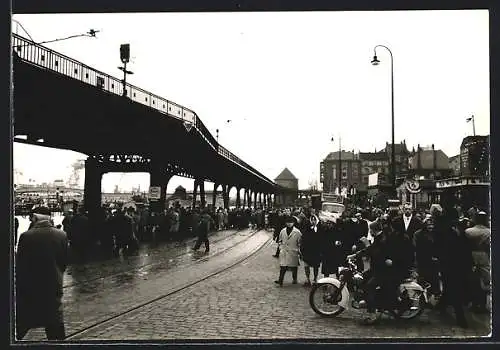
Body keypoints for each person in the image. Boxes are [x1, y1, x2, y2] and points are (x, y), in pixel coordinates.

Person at [15, 206, 68, 340]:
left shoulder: (26, 236)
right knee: (55, 323)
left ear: (35, 218)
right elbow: (64, 262)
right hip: (53, 283)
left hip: (30, 285)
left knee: (22, 322)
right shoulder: (61, 235)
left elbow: (20, 263)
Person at [348, 217, 414, 325]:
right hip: (377, 269)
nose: (369, 232)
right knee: (363, 279)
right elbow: (371, 250)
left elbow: (376, 253)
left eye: (370, 230)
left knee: (369, 286)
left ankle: (373, 314)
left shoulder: (383, 239)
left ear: (373, 230)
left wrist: (365, 247)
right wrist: (355, 255)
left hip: (382, 271)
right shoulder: (380, 238)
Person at [465, 211, 491, 313]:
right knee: (485, 280)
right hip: (484, 256)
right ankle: (483, 304)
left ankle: (474, 303)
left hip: (471, 256)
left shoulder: (468, 231)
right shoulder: (488, 232)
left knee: (473, 280)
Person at [274, 216, 302, 286]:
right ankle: (280, 281)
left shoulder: (297, 232)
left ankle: (294, 279)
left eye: (291, 222)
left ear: (293, 223)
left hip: (293, 251)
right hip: (284, 251)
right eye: (288, 222)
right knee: (283, 267)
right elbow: (280, 240)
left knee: (294, 267)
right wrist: (280, 247)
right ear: (286, 223)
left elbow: (300, 242)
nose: (289, 224)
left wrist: (298, 250)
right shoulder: (282, 231)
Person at [300, 214, 322, 286]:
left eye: (314, 220)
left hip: (316, 251)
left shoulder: (320, 229)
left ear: (317, 220)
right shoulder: (307, 229)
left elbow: (322, 240)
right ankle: (308, 279)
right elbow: (303, 239)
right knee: (306, 266)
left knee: (316, 266)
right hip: (308, 251)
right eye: (312, 220)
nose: (313, 221)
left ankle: (315, 279)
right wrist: (302, 250)